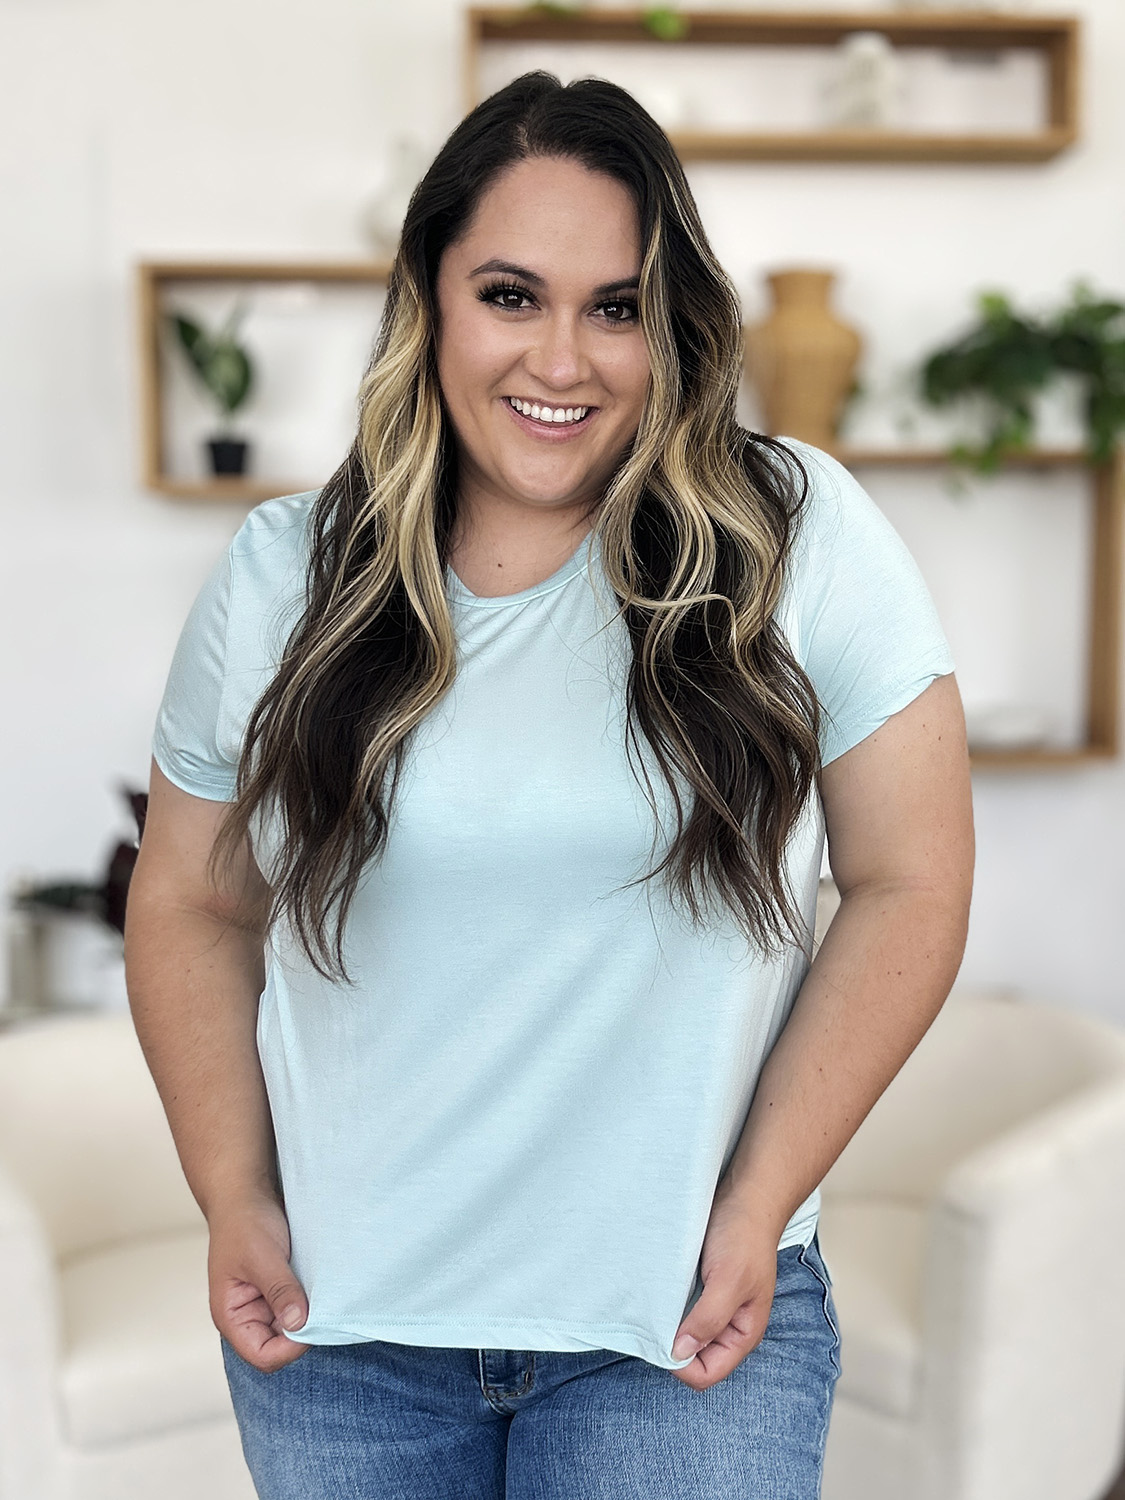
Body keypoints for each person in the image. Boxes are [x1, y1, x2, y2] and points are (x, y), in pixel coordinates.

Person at [125, 70, 974, 1500]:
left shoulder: (796, 538)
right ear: (431, 301)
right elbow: (190, 903)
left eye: (617, 306)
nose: (563, 360)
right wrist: (233, 1193)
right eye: (510, 295)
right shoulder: (284, 576)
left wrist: (757, 1204)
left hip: (684, 1333)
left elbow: (911, 883)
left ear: (671, 324)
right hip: (344, 1343)